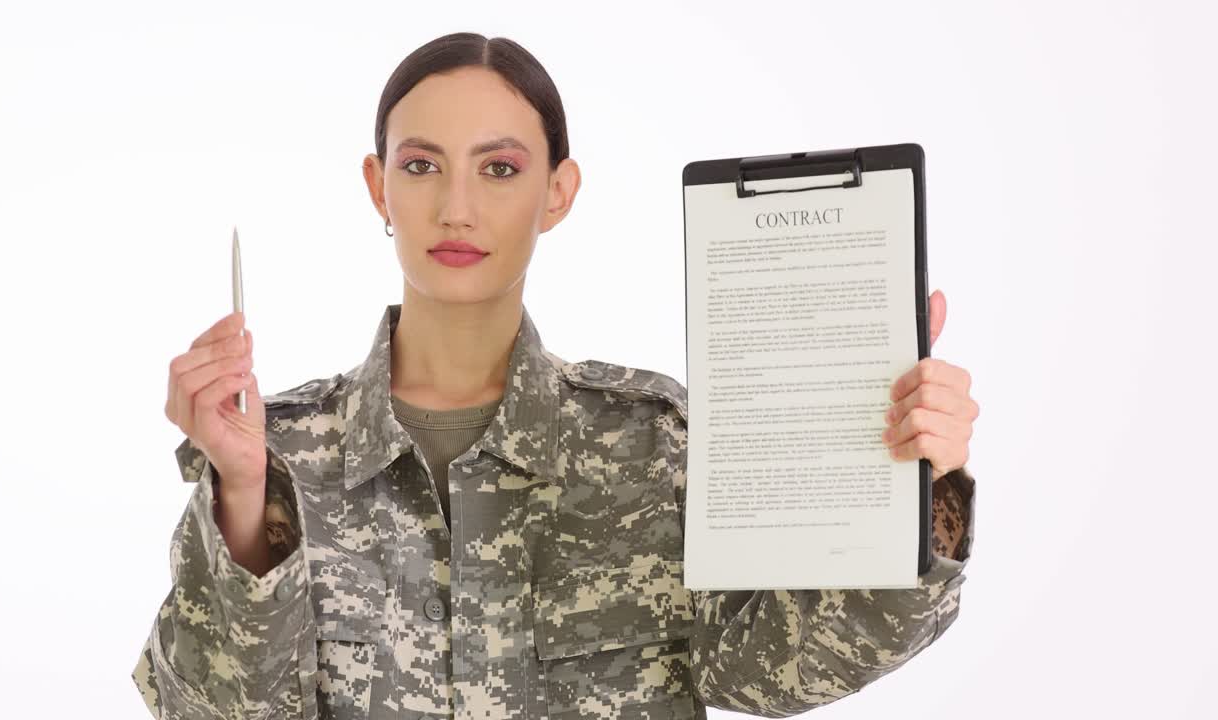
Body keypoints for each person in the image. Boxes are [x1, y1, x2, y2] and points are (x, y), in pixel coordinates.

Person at [131, 31, 979, 720]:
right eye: (421, 165)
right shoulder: (277, 453)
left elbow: (771, 670)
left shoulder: (653, 445)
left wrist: (914, 485)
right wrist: (245, 500)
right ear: (377, 186)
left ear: (558, 193)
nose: (456, 206)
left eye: (499, 168)